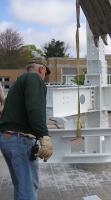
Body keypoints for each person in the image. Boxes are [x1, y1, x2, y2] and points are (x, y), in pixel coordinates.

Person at [0, 58, 53, 200]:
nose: (44, 78)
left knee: (21, 186)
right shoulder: (34, 79)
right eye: (45, 74)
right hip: (20, 141)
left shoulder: (18, 82)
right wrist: (44, 135)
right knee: (28, 189)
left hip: (7, 139)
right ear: (41, 70)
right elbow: (35, 109)